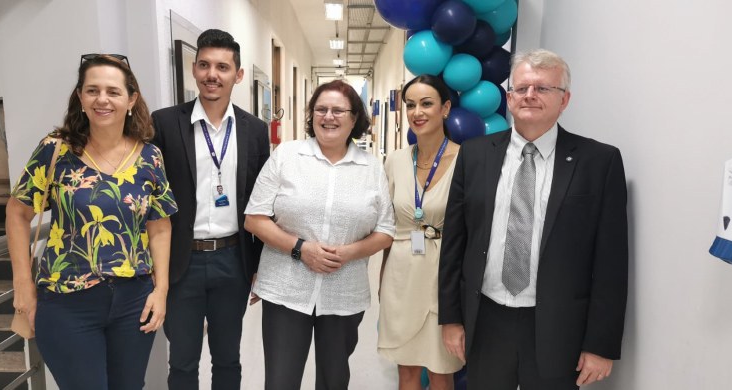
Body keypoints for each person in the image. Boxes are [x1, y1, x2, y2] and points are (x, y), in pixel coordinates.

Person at [439, 49, 628, 389]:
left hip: (558, 325)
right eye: (522, 88)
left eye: (543, 89)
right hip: (486, 318)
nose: (530, 95)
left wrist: (601, 344)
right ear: (509, 98)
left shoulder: (599, 162)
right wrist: (451, 319)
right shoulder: (475, 154)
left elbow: (611, 262)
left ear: (564, 99)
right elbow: (455, 243)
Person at [6, 53, 177, 389]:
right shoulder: (55, 150)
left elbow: (159, 226)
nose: (102, 99)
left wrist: (162, 290)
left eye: (113, 92)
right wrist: (23, 286)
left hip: (133, 299)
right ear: (80, 98)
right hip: (67, 300)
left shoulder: (149, 157)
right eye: (92, 90)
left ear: (131, 100)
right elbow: (18, 213)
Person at [244, 79, 395, 390]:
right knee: (281, 381)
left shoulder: (371, 168)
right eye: (321, 109)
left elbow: (386, 230)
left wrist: (348, 252)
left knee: (334, 380)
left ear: (355, 119)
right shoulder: (287, 155)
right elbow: (255, 218)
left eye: (339, 110)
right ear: (311, 116)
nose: (329, 116)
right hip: (286, 289)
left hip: (344, 292)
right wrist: (301, 249)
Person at [150, 29, 270, 390]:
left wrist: (258, 266)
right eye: (204, 65)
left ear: (238, 74)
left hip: (233, 260)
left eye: (222, 66)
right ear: (194, 68)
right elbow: (152, 198)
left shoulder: (255, 130)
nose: (211, 74)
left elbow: (262, 202)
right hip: (180, 262)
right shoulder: (165, 123)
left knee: (228, 360)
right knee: (183, 362)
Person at [377, 74, 463, 390]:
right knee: (407, 371)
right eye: (410, 105)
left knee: (442, 370)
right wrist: (383, 278)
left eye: (427, 103)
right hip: (401, 275)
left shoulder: (467, 159)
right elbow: (386, 225)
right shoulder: (396, 161)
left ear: (445, 108)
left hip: (444, 275)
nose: (417, 112)